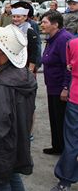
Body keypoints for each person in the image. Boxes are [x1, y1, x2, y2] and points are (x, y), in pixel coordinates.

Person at [0, 24, 37, 191]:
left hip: (1, 149)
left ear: (1, 50)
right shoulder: (24, 76)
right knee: (12, 175)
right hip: (16, 141)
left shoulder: (2, 85)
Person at [40, 10, 73, 155]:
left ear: (55, 24)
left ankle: (65, 149)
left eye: (45, 22)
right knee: (54, 117)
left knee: (62, 119)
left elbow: (68, 67)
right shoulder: (51, 39)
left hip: (60, 87)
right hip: (51, 85)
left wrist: (65, 87)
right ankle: (57, 146)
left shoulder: (63, 39)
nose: (42, 24)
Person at [50, 36, 78, 191]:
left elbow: (69, 67)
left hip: (75, 97)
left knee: (72, 140)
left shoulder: (72, 44)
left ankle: (65, 181)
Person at [9, 5, 40, 73]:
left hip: (26, 63)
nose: (15, 19)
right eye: (14, 16)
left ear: (25, 17)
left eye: (18, 16)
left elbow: (34, 51)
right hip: (13, 63)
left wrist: (31, 68)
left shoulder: (30, 31)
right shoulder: (10, 29)